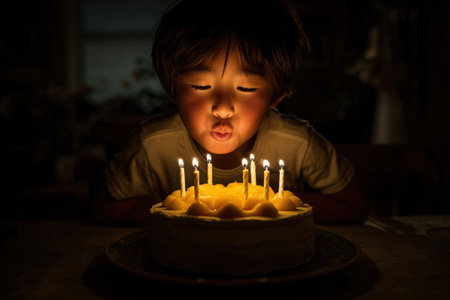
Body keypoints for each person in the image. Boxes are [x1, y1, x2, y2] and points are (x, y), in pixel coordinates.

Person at [91, 0, 370, 226]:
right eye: (201, 85)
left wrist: (281, 205)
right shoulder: (153, 146)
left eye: (246, 88)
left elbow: (355, 206)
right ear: (171, 89)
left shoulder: (298, 145)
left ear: (275, 95)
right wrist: (165, 210)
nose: (222, 108)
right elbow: (101, 207)